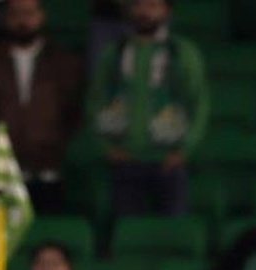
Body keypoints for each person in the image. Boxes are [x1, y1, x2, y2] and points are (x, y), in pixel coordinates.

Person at [88, 0, 208, 216]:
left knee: (172, 233)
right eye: (139, 5)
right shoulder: (115, 52)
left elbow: (198, 104)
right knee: (127, 233)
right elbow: (96, 101)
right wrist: (107, 147)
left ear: (167, 11)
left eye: (153, 6)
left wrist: (184, 150)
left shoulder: (181, 52)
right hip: (125, 161)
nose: (145, 12)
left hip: (168, 163)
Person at [0, 0, 84, 214]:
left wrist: (59, 147)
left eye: (29, 13)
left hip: (51, 168)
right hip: (3, 168)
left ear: (41, 16)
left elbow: (75, 112)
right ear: (6, 18)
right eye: (16, 14)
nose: (23, 20)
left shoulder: (65, 62)